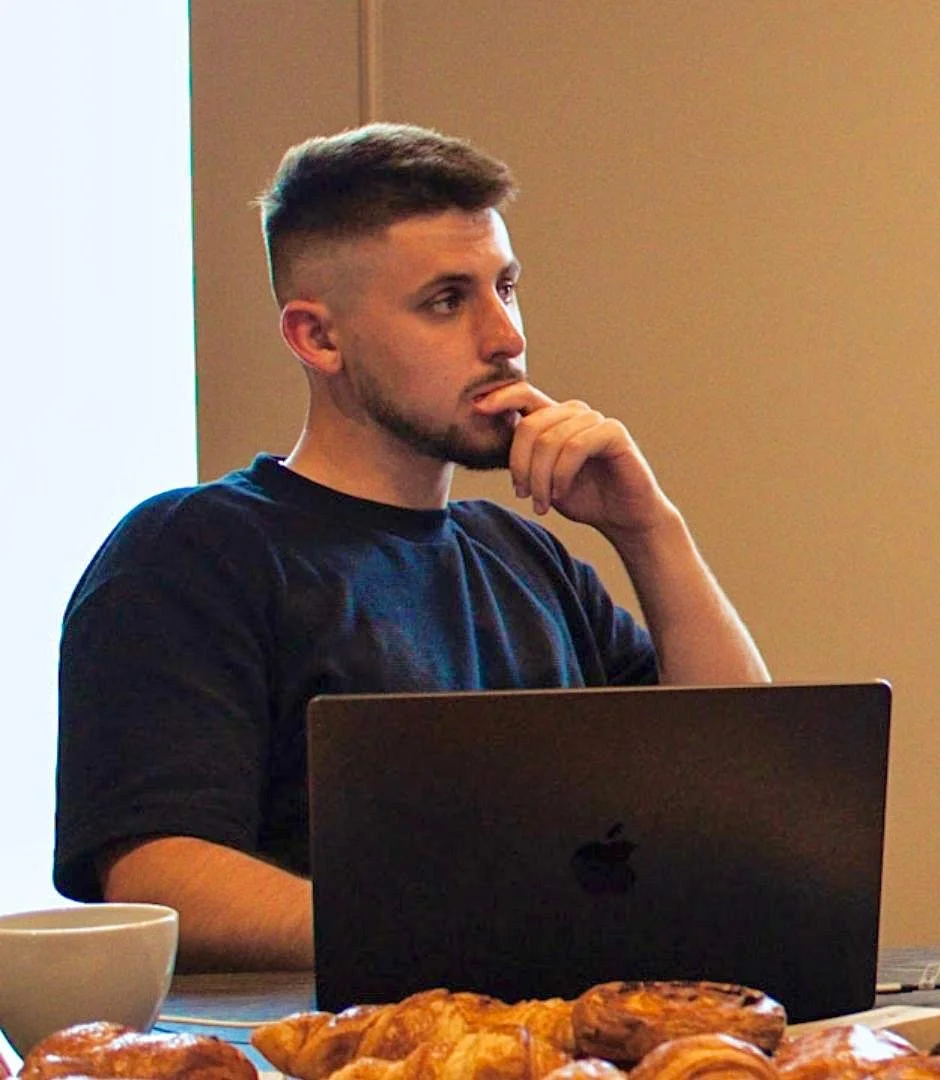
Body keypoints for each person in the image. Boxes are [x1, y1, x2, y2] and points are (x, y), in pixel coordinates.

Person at [54, 122, 770, 972]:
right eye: (446, 300)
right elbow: (160, 878)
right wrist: (470, 938)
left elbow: (744, 796)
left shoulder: (523, 557)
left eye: (506, 287)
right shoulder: (193, 553)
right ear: (318, 339)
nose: (504, 336)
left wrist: (650, 531)